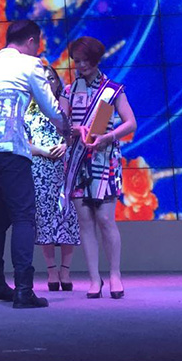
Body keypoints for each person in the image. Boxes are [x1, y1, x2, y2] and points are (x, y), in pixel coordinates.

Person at [0, 20, 69, 309]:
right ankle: (23, 289)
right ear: (31, 41)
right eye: (38, 44)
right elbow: (49, 106)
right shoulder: (30, 64)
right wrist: (67, 129)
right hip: (9, 148)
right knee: (23, 217)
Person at [60, 36, 136, 300]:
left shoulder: (112, 90)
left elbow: (130, 122)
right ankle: (94, 279)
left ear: (95, 60)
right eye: (77, 61)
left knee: (105, 219)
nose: (80, 65)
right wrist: (75, 130)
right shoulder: (68, 91)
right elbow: (61, 125)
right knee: (85, 221)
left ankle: (115, 274)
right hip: (77, 159)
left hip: (104, 159)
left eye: (84, 61)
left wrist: (108, 136)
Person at [24, 64, 79, 292]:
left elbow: (78, 134)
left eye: (52, 78)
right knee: (44, 219)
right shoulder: (26, 110)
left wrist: (66, 145)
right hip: (40, 170)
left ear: (58, 82)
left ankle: (66, 271)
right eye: (43, 79)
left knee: (68, 216)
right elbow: (20, 142)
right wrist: (43, 151)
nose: (48, 82)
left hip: (66, 168)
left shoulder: (65, 107)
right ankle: (52, 271)